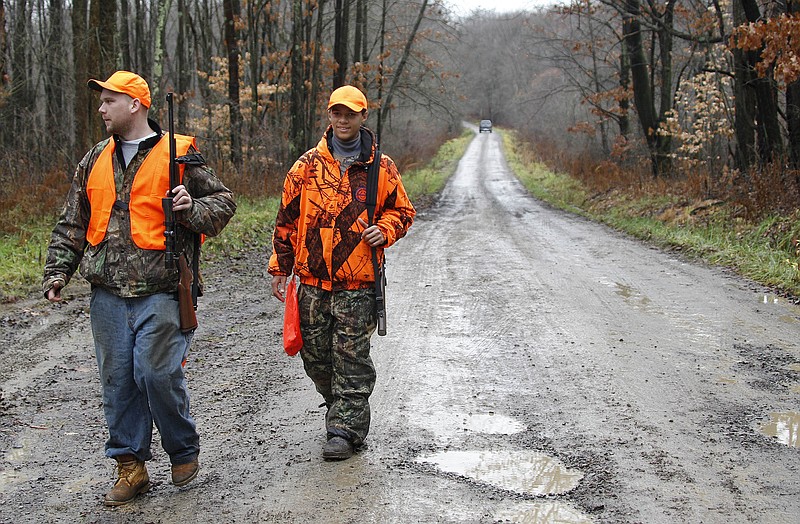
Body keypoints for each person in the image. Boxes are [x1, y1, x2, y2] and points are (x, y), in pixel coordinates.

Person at [42, 71, 236, 506]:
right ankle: (131, 467)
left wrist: (191, 208)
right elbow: (72, 223)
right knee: (117, 382)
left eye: (109, 100)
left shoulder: (181, 155)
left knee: (155, 372)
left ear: (135, 104)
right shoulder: (93, 159)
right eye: (101, 101)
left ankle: (182, 449)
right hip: (107, 293)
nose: (101, 108)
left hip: (163, 289)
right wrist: (58, 271)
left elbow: (224, 203)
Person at [269, 85, 415, 460]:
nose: (343, 119)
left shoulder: (381, 167)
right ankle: (338, 406)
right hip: (313, 281)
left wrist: (385, 229)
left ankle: (345, 429)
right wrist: (280, 269)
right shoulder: (306, 166)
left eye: (351, 113)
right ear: (329, 115)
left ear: (363, 116)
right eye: (337, 112)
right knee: (317, 357)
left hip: (358, 282)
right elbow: (286, 220)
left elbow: (403, 211)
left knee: (351, 356)